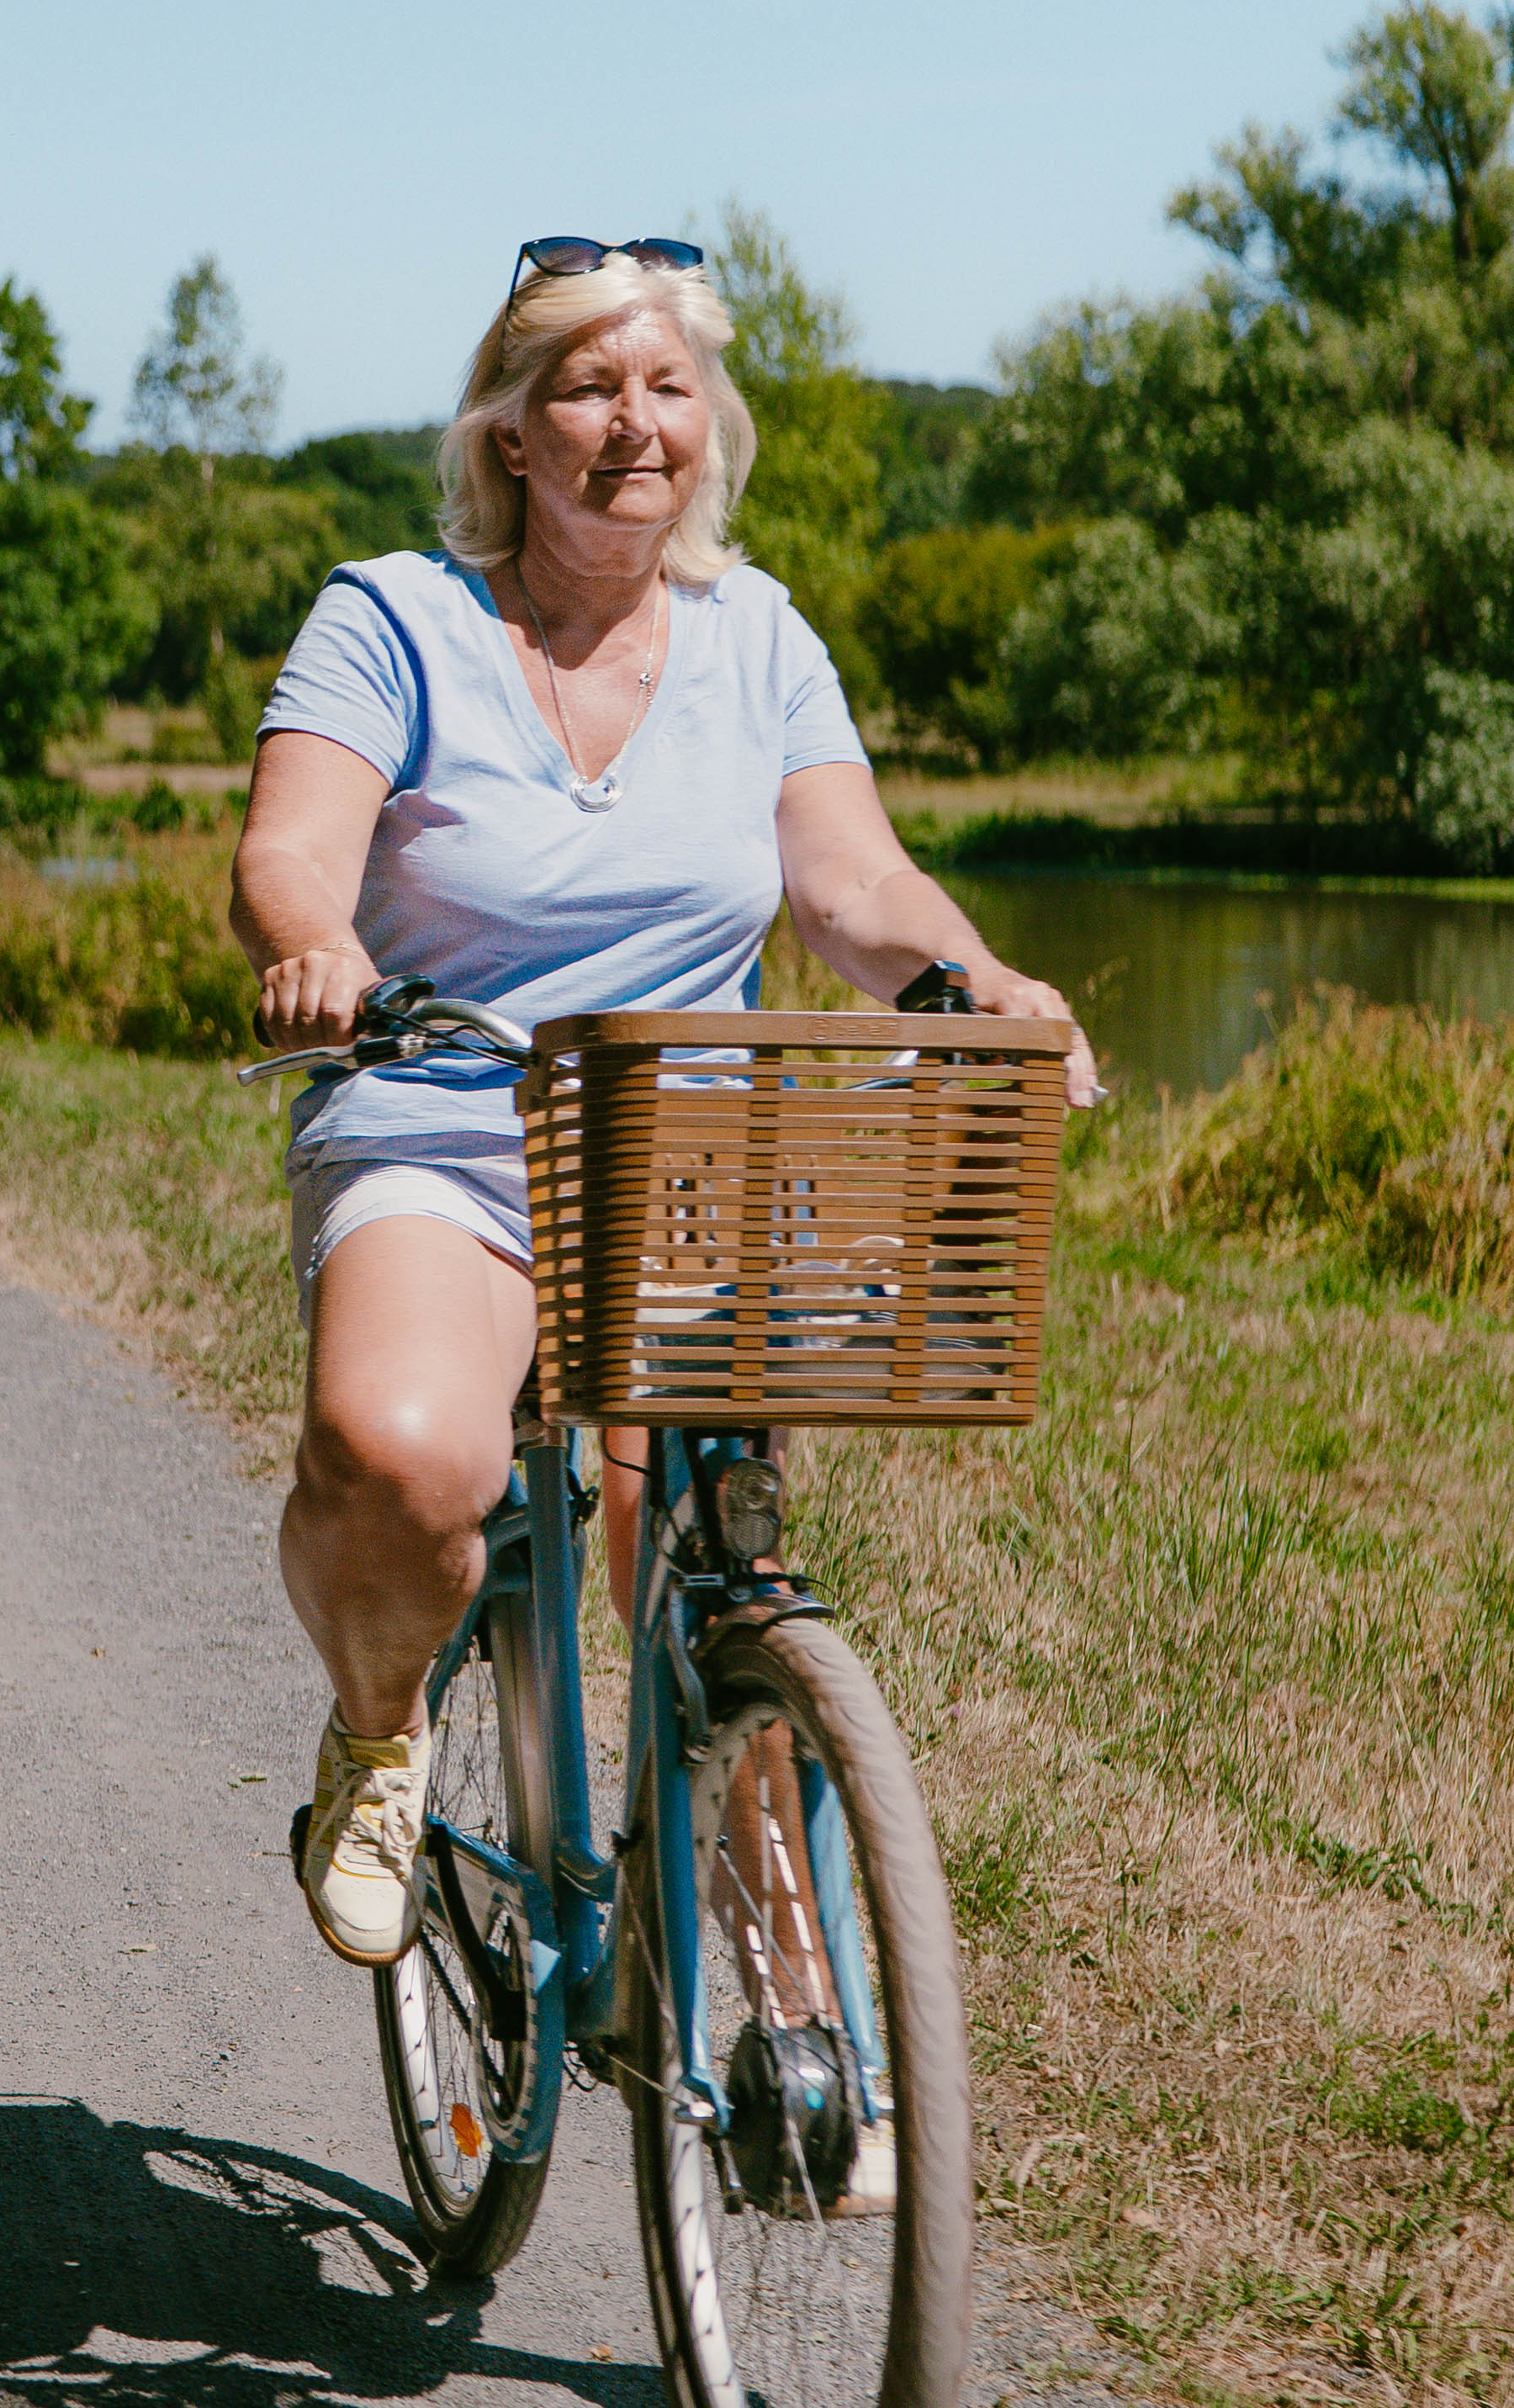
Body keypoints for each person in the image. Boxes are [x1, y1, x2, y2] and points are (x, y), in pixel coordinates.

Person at [228, 236, 1098, 1966]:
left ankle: (788, 1982)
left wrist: (970, 975)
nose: (634, 421)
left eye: (667, 386)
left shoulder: (756, 635)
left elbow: (849, 880)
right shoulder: (391, 619)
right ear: (510, 431)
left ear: (711, 423)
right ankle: (379, 1737)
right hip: (450, 1122)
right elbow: (289, 849)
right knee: (402, 1459)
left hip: (687, 1151)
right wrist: (315, 944)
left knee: (703, 1556)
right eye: (588, 386)